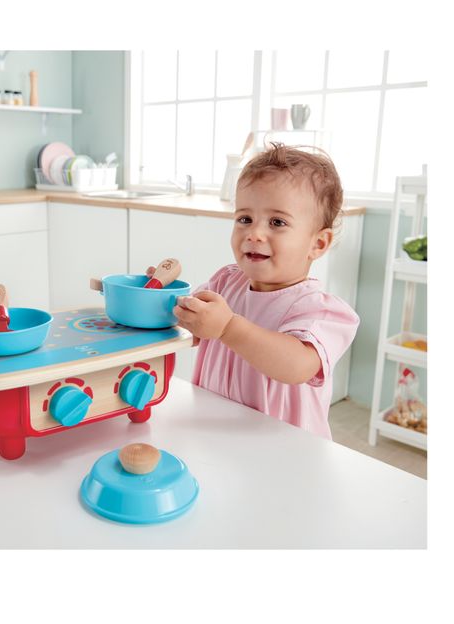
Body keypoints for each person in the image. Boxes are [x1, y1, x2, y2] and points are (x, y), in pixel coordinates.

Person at [151, 144, 360, 439]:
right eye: (245, 219)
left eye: (277, 222)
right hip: (216, 431)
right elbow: (190, 323)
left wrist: (227, 327)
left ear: (318, 243)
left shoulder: (321, 312)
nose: (254, 233)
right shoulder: (224, 283)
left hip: (286, 448)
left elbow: (297, 366)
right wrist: (158, 297)